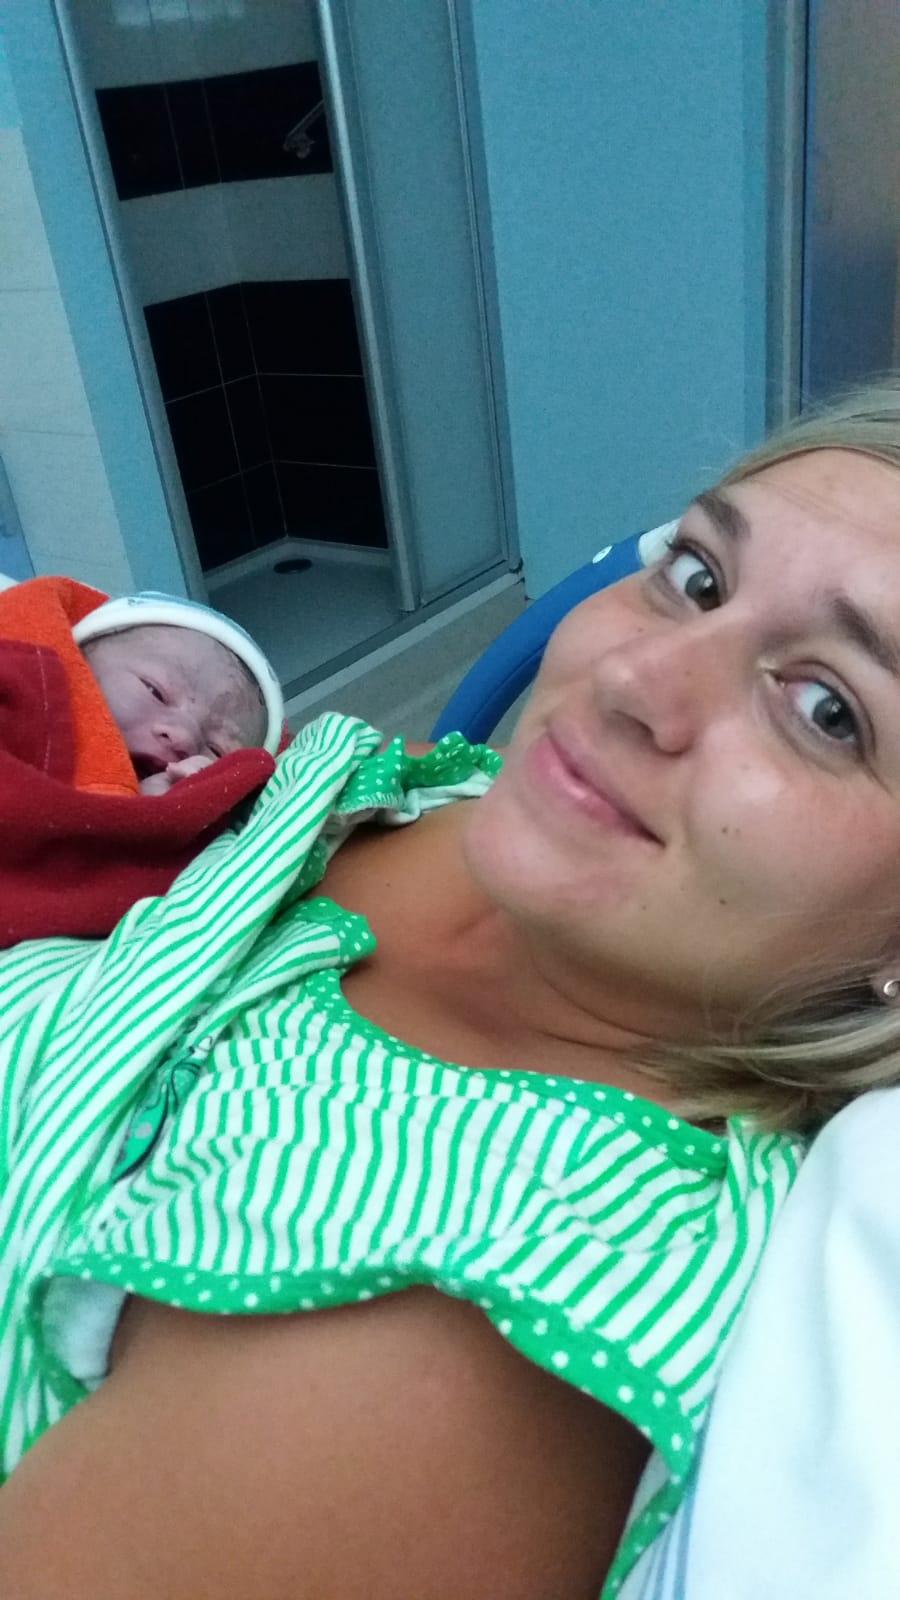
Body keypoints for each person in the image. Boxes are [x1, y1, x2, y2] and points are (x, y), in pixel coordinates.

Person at [2, 380, 900, 1600]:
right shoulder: (503, 819)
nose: (633, 678)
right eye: (698, 577)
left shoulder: (454, 1327)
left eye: (827, 711)